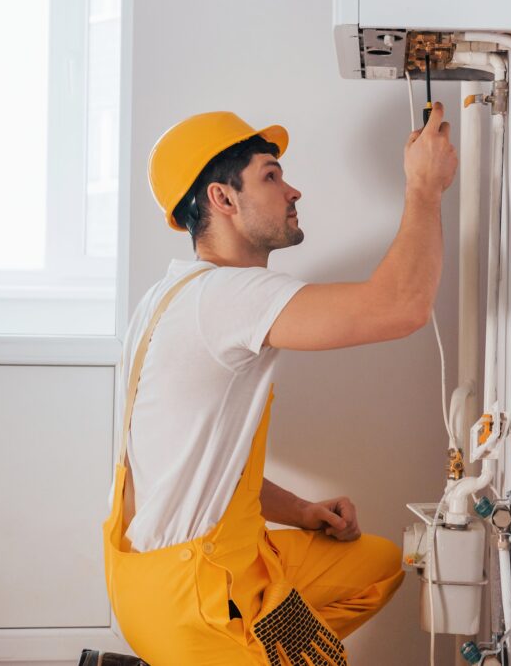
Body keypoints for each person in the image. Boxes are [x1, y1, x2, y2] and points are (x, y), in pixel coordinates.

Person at [102, 105, 458, 665]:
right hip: (191, 597)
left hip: (169, 574)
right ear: (223, 198)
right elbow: (401, 306)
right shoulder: (225, 297)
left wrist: (301, 510)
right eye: (271, 176)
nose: (293, 191)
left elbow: (199, 464)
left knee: (377, 565)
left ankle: (253, 646)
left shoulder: (170, 296)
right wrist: (425, 187)